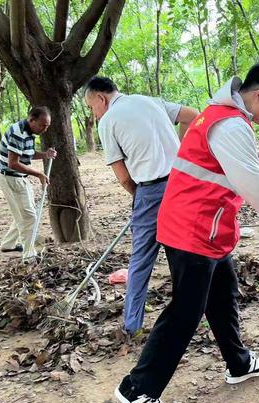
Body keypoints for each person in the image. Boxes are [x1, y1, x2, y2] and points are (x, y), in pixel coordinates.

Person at [115, 62, 259, 403]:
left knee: (222, 296)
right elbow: (252, 186)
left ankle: (238, 361)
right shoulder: (230, 123)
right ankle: (138, 387)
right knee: (187, 311)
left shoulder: (224, 117)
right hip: (193, 229)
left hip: (207, 227)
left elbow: (227, 167)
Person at [84, 77, 198, 333]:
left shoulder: (108, 121)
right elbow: (193, 116)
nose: (94, 113)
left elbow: (123, 176)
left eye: (92, 107)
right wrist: (181, 152)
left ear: (101, 98)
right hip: (182, 184)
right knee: (183, 252)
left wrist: (140, 196)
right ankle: (188, 316)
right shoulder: (151, 101)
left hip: (150, 189)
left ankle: (131, 325)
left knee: (141, 260)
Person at [0, 106, 57, 259]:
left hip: (20, 178)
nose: (45, 129)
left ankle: (8, 244)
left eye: (47, 126)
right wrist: (39, 174)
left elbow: (27, 154)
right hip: (12, 178)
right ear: (32, 119)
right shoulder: (18, 132)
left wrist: (45, 155)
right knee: (29, 216)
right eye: (43, 125)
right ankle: (29, 255)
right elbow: (13, 163)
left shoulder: (29, 132)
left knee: (24, 213)